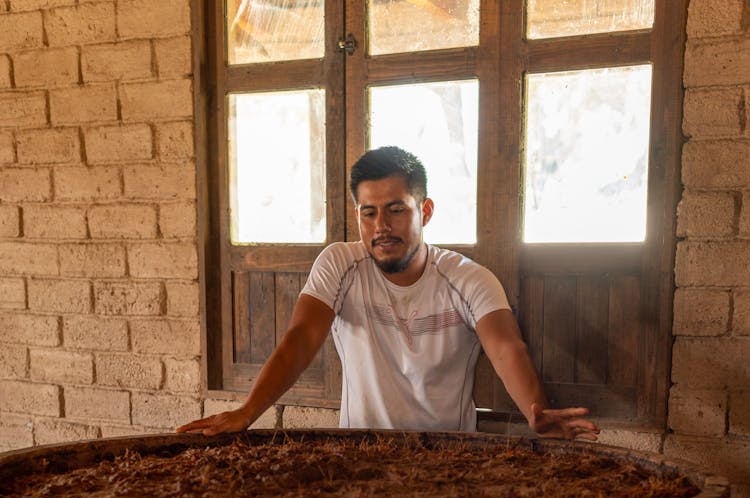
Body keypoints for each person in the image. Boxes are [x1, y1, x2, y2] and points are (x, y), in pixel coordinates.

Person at [178, 146, 599, 441]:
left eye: (397, 209)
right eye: (369, 212)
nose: (382, 225)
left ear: (425, 211)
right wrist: (247, 412)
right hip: (359, 454)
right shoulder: (340, 264)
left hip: (449, 459)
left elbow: (508, 348)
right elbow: (301, 338)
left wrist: (535, 411)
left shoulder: (467, 278)